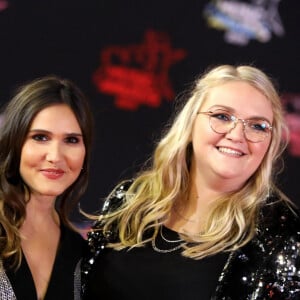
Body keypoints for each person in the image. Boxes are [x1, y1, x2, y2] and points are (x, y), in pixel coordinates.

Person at [80, 64, 300, 299]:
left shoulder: (283, 235)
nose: (237, 134)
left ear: (270, 141)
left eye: (257, 126)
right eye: (222, 116)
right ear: (190, 123)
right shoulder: (128, 201)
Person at [0, 75, 93, 300]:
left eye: (71, 140)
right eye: (40, 137)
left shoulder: (78, 251)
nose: (55, 156)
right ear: (15, 141)